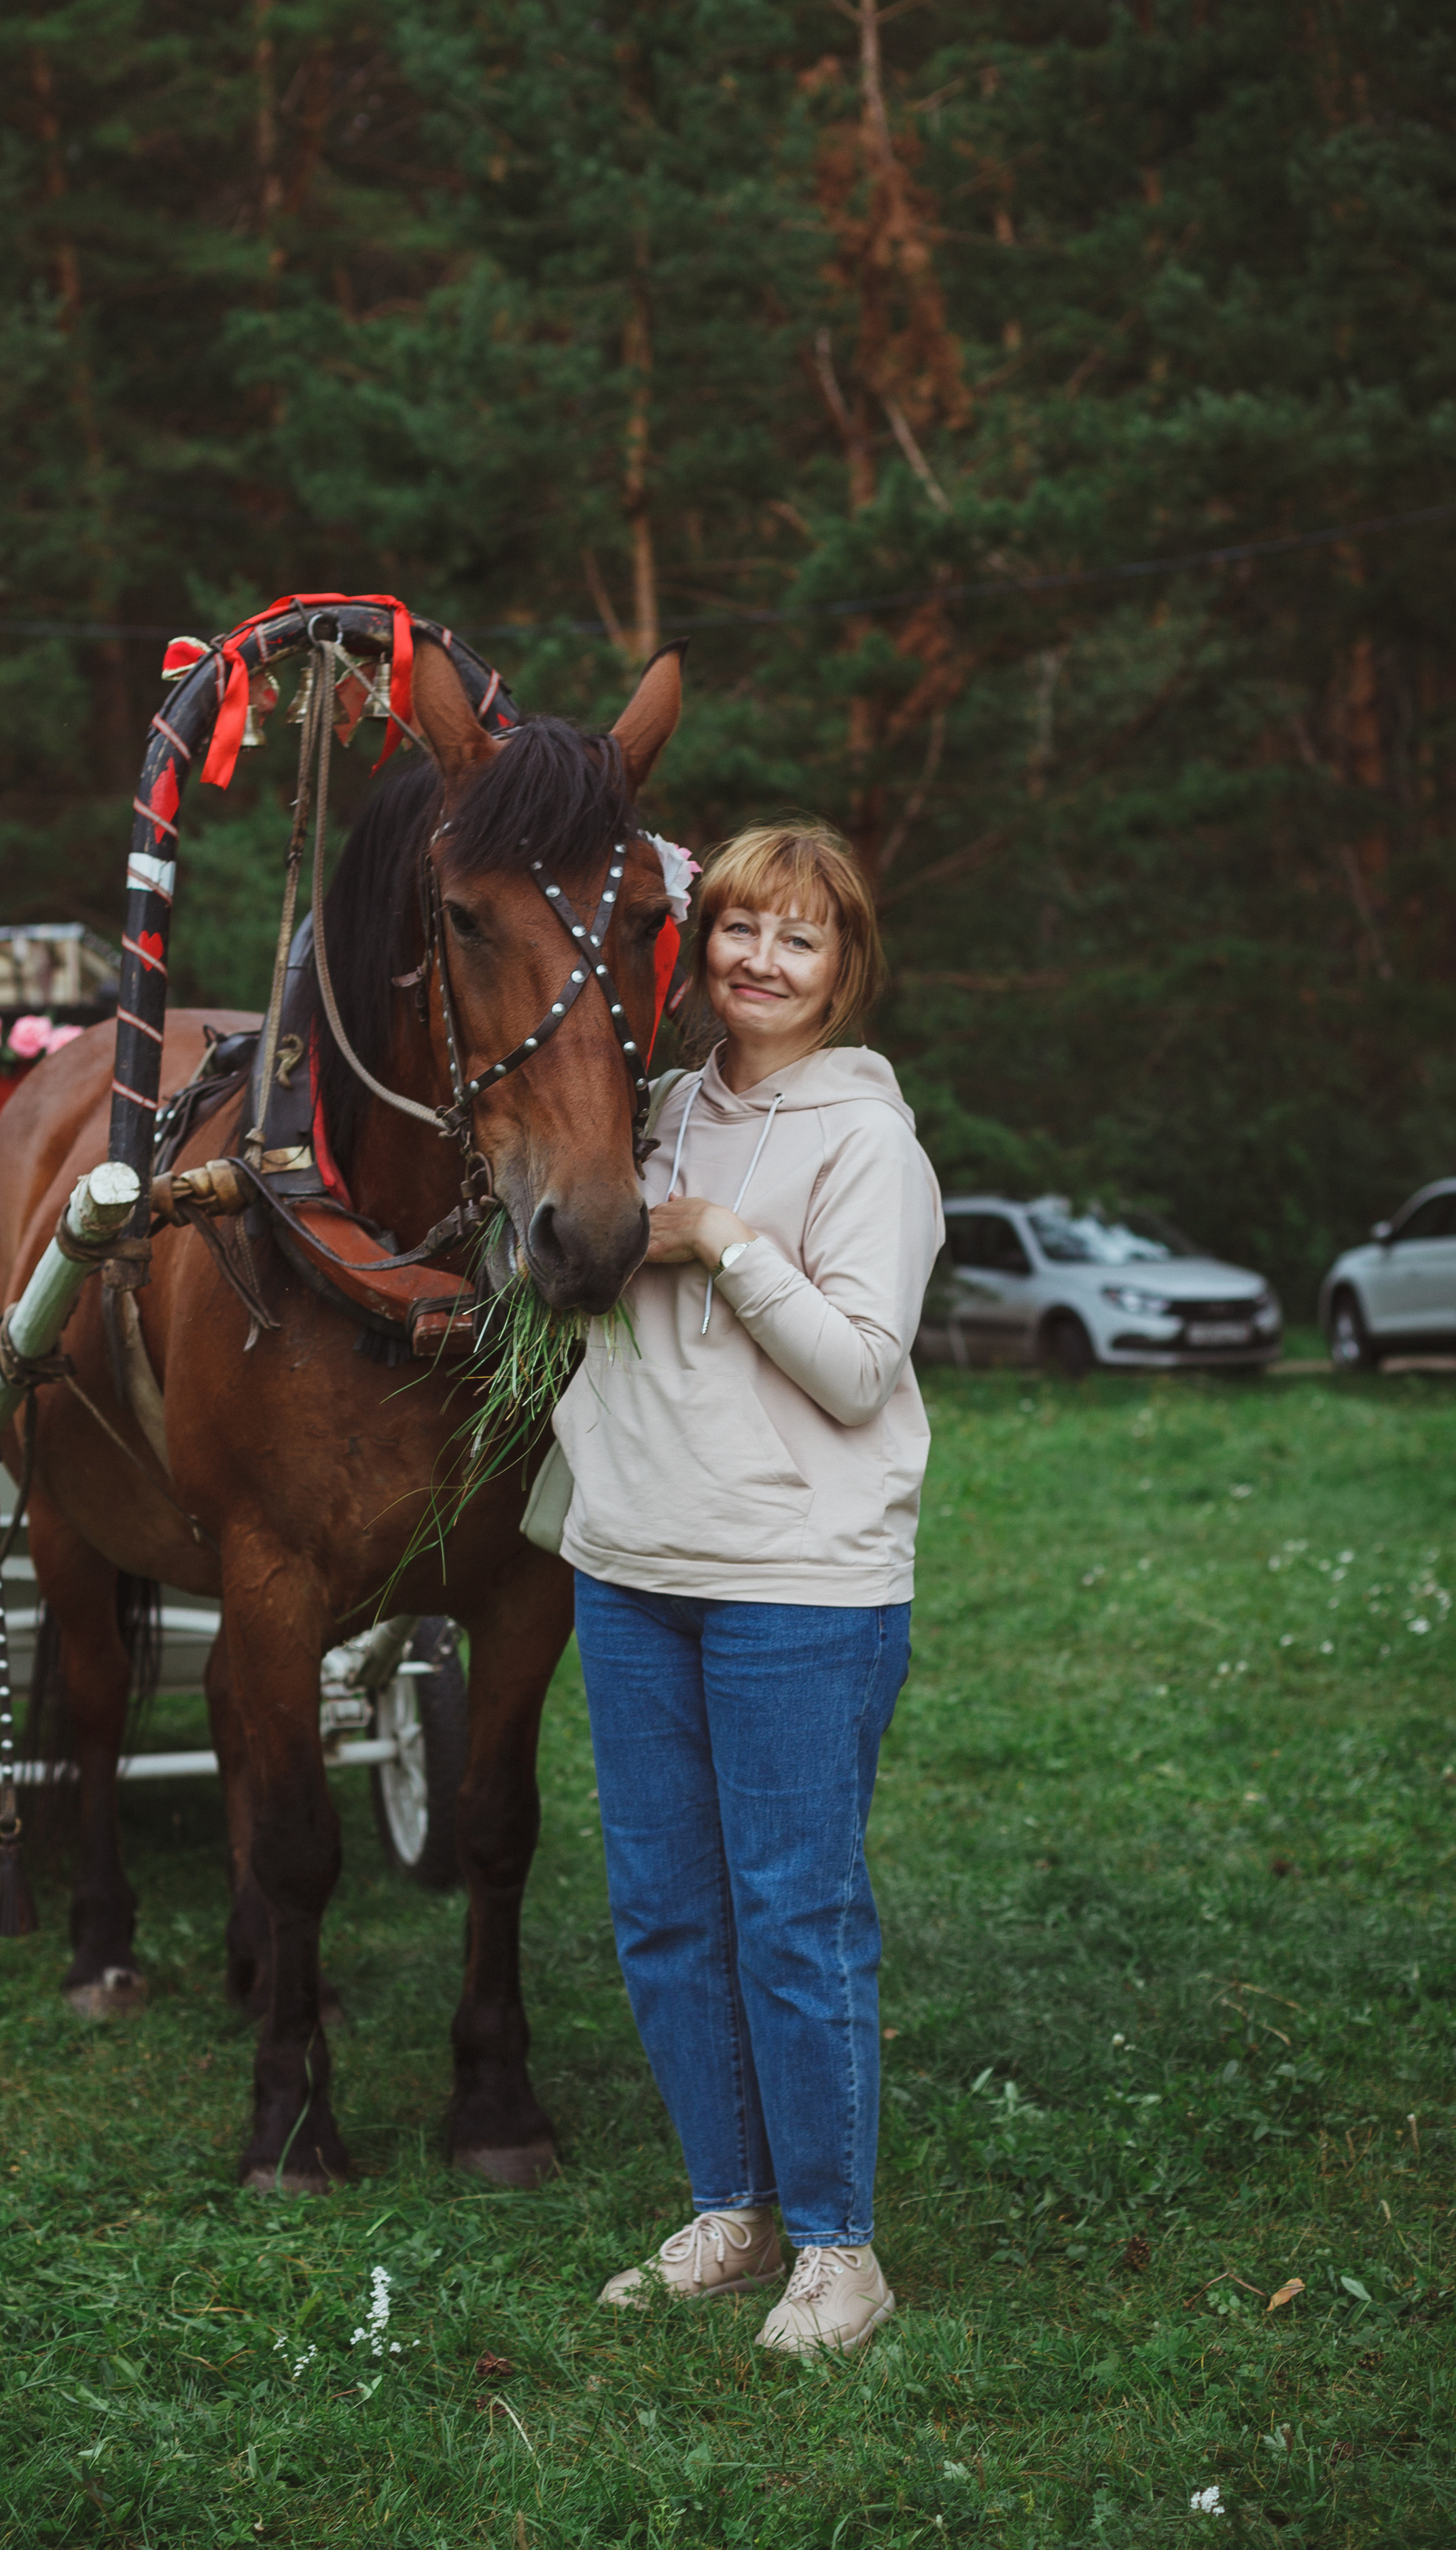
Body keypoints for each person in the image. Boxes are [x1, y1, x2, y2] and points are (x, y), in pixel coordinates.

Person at [550, 819, 944, 2356]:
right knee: (662, 1912)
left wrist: (717, 1240)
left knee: (792, 1915)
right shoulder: (642, 1115)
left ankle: (840, 2251)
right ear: (697, 940)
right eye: (736, 929)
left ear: (843, 969)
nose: (759, 962)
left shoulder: (866, 1144)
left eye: (798, 939)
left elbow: (857, 1369)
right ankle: (730, 2207)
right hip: (627, 1565)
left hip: (798, 1582)